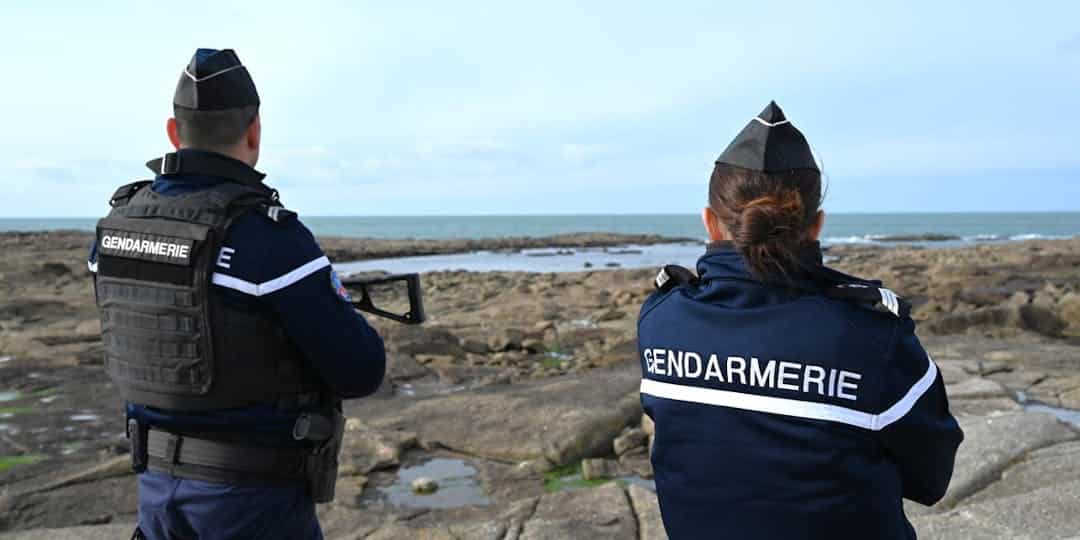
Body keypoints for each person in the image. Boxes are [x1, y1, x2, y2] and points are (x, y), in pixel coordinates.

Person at [87, 48, 386, 540]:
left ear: (173, 131)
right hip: (253, 502)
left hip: (156, 494)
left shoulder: (113, 232)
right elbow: (360, 371)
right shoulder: (269, 239)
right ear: (255, 132)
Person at [637, 101, 963, 540]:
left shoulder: (662, 319)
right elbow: (930, 478)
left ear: (711, 222)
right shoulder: (870, 336)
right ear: (816, 226)